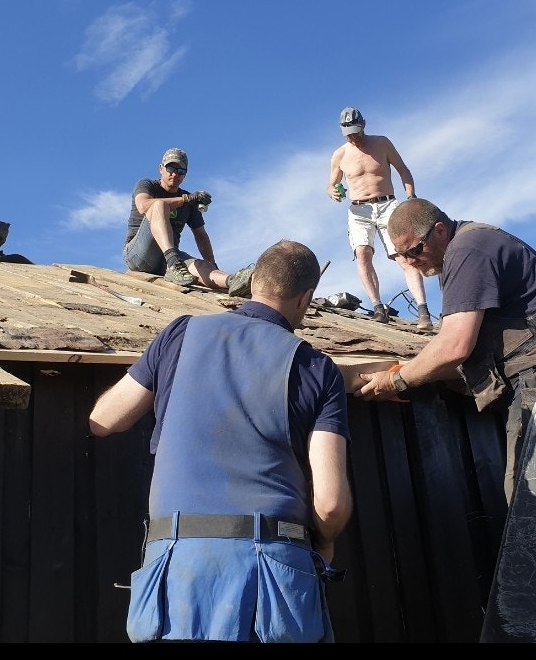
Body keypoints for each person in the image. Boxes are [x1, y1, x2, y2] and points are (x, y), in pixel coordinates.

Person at [89, 239, 353, 644]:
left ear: (252, 284)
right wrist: (326, 543)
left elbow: (103, 421)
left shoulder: (180, 333)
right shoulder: (317, 367)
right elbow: (331, 503)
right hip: (273, 574)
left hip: (176, 570)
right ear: (306, 298)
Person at [351, 197, 536, 503]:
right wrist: (416, 369)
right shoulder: (469, 247)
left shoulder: (467, 249)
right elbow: (463, 351)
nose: (410, 262)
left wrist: (396, 380)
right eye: (400, 256)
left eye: (414, 251)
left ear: (439, 231)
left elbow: (454, 346)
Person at [327, 107, 433, 331]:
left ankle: (423, 310)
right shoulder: (340, 155)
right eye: (348, 133)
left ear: (364, 124)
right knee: (362, 254)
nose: (353, 137)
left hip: (387, 204)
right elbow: (331, 183)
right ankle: (377, 307)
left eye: (356, 131)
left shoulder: (382, 143)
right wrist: (333, 191)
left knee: (404, 256)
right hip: (359, 211)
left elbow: (403, 170)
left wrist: (411, 197)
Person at [124, 147, 255, 297]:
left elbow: (201, 236)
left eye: (181, 171)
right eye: (171, 168)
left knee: (201, 266)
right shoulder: (147, 185)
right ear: (161, 169)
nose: (175, 174)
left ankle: (234, 281)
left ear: (185, 175)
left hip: (165, 262)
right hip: (138, 255)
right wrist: (186, 200)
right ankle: (173, 263)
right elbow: (142, 206)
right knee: (159, 205)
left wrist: (213, 265)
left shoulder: (189, 200)